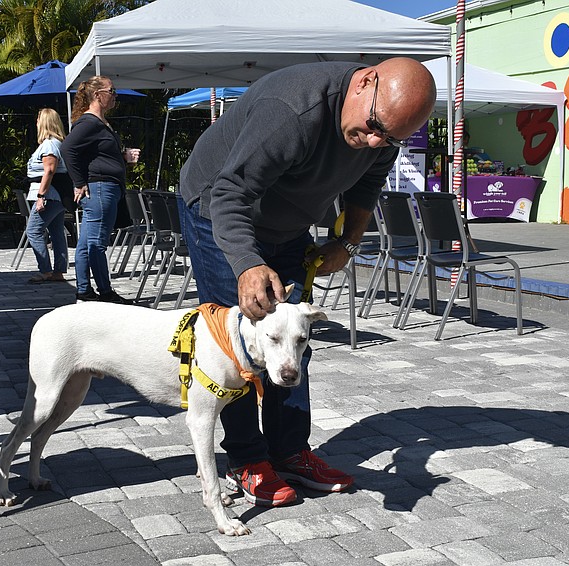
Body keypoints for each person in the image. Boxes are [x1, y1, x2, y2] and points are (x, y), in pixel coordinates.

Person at [178, 57, 436, 506]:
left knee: (293, 338)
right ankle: (247, 459)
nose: (376, 141)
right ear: (366, 81)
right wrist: (246, 264)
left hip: (288, 224)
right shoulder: (292, 111)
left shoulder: (385, 129)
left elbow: (366, 185)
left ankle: (291, 452)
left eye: (390, 137)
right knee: (235, 344)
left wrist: (349, 241)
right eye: (375, 126)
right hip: (216, 208)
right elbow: (229, 192)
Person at [61, 76, 141, 304]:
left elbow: (97, 154)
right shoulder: (89, 123)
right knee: (96, 243)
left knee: (87, 243)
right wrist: (78, 182)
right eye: (112, 91)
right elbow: (68, 149)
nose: (115, 95)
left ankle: (85, 291)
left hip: (102, 187)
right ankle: (104, 293)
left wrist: (123, 156)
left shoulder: (99, 123)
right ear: (97, 95)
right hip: (99, 188)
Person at [25, 108, 70, 284]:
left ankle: (45, 271)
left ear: (44, 122)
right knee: (57, 231)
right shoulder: (56, 143)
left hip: (49, 195)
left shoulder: (50, 144)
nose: (36, 122)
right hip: (56, 195)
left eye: (38, 119)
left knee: (33, 231)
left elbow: (49, 170)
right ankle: (59, 270)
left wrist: (41, 195)